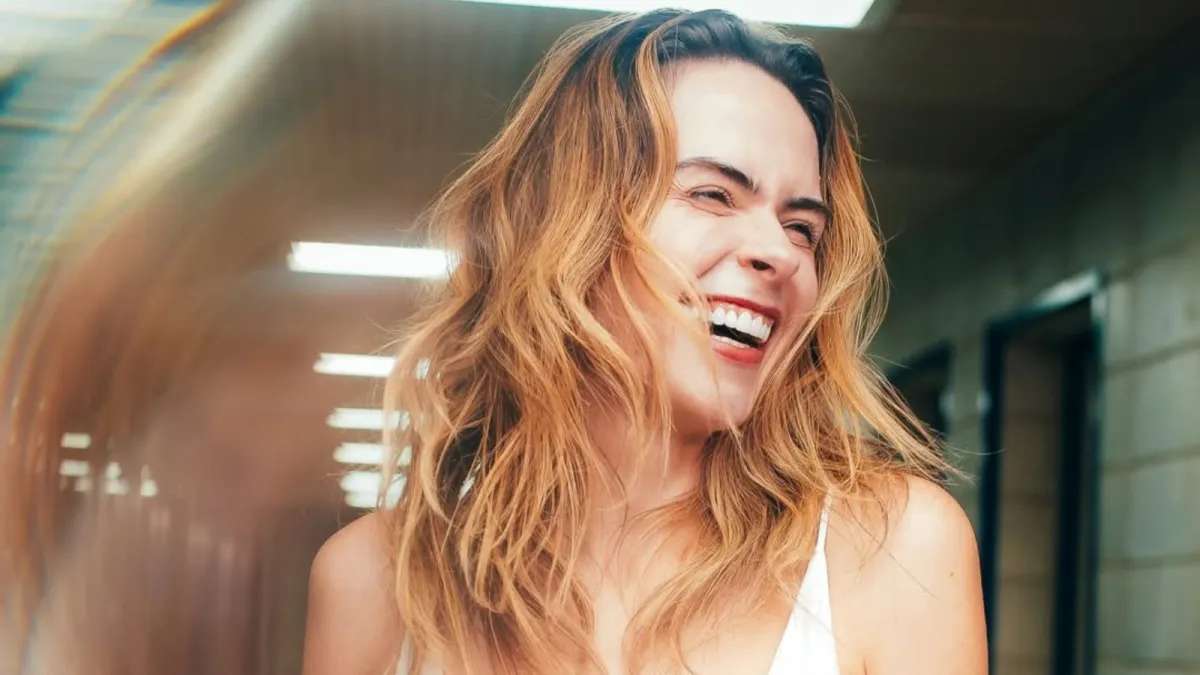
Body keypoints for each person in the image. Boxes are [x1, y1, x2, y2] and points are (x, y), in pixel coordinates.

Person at [308, 8, 988, 675]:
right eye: (713, 195)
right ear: (571, 224)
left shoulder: (894, 554)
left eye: (801, 227)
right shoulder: (374, 583)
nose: (780, 253)